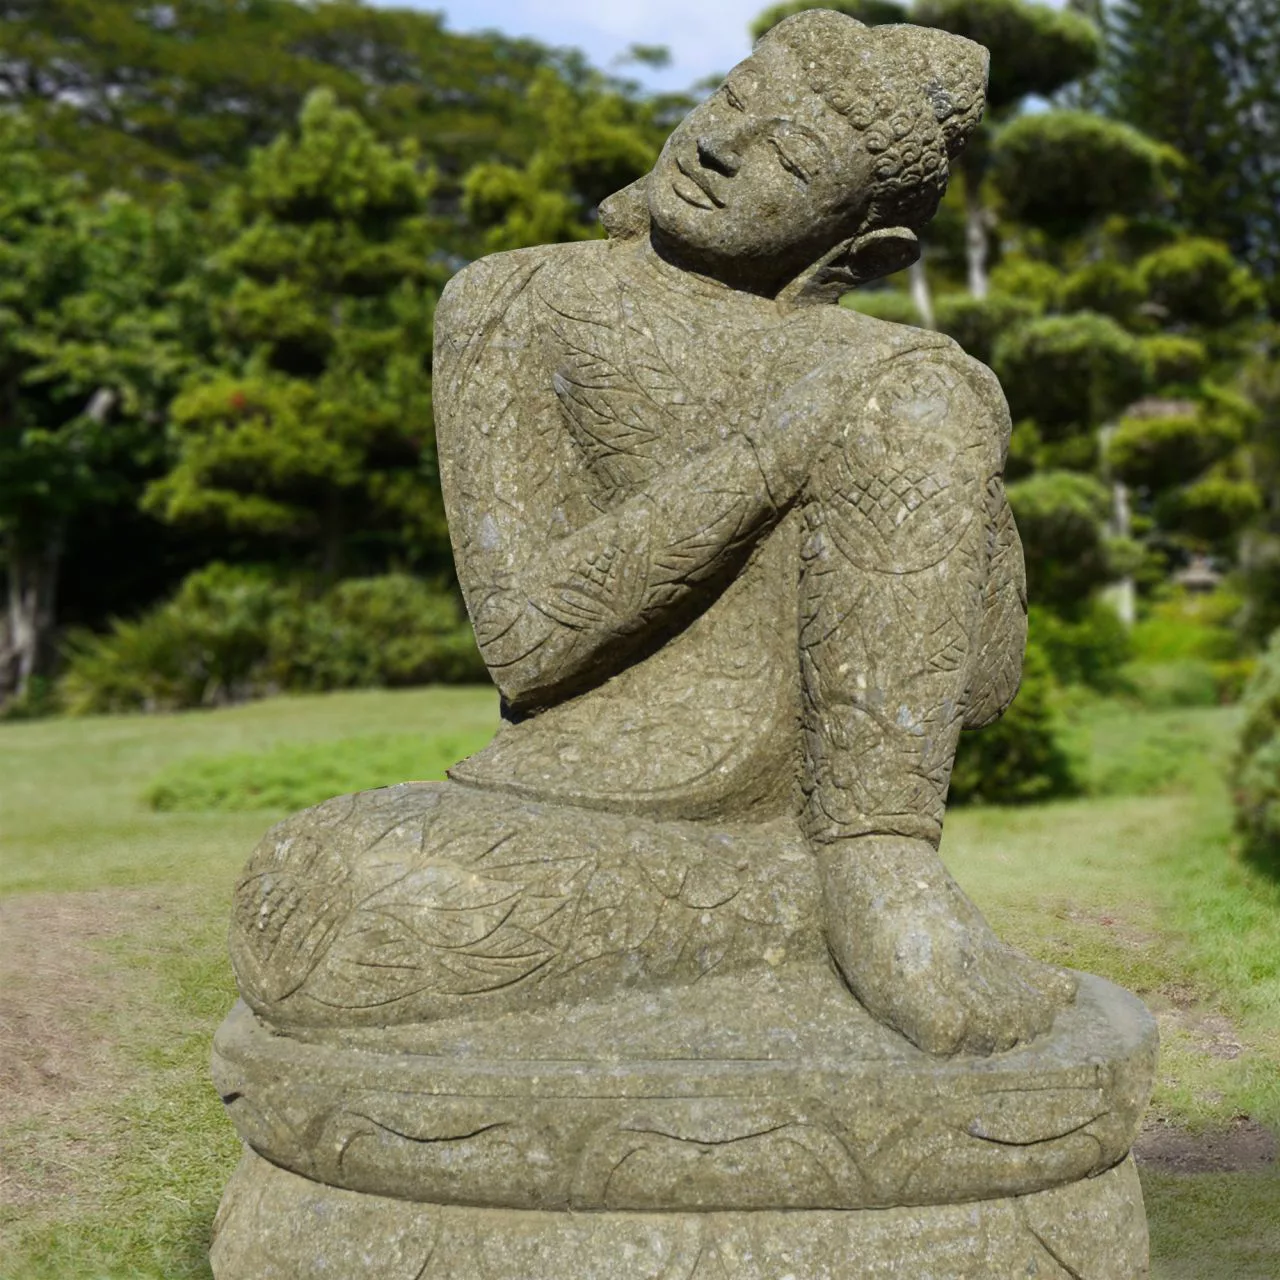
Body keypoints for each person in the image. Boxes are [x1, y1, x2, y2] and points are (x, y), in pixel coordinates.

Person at [230, 10, 1075, 1057]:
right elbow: (527, 642)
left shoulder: (889, 377)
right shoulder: (517, 299)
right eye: (729, 98)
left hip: (825, 812)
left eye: (792, 154)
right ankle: (802, 910)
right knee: (339, 893)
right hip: (573, 802)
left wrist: (956, 455)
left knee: (919, 397)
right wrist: (773, 452)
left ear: (866, 240)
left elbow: (977, 690)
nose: (722, 143)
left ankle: (876, 874)